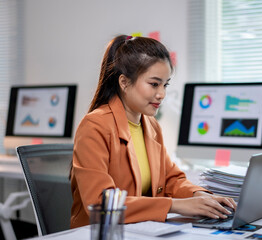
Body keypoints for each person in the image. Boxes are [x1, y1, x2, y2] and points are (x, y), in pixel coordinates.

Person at [69, 34, 236, 228]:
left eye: (165, 85)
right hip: (101, 232)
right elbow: (101, 202)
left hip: (138, 229)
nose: (162, 94)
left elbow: (172, 178)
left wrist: (198, 195)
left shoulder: (151, 124)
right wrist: (176, 205)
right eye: (154, 84)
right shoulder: (95, 125)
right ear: (123, 82)